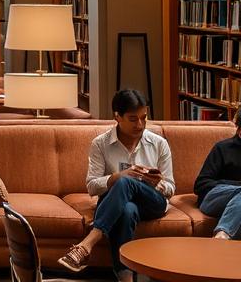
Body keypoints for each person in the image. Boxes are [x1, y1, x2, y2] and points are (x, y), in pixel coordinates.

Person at [57, 88, 175, 280]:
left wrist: (156, 184)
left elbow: (170, 188)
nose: (140, 124)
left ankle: (88, 243)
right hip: (118, 202)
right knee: (127, 209)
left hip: (153, 202)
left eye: (144, 118)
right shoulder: (100, 144)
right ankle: (125, 277)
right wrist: (117, 177)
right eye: (133, 119)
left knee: (126, 182)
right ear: (117, 117)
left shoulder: (159, 143)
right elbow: (92, 186)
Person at [193, 103, 241, 238]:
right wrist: (236, 185)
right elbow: (200, 185)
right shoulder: (223, 148)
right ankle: (222, 235)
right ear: (239, 130)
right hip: (212, 199)